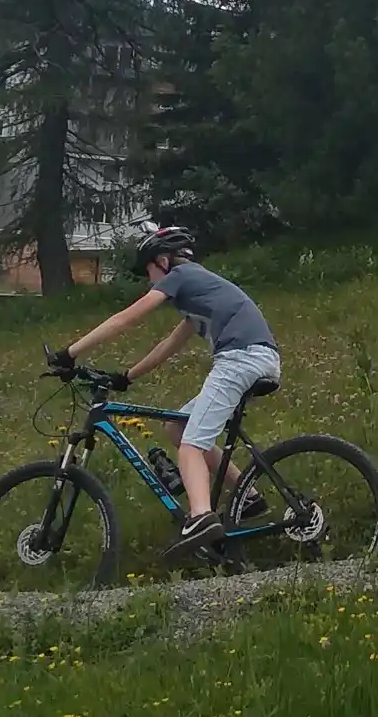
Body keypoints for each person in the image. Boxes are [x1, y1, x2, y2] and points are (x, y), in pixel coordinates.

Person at [53, 226, 281, 563]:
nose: (150, 281)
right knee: (177, 428)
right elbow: (168, 345)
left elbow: (125, 319)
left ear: (163, 261)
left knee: (192, 444)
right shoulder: (201, 290)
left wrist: (69, 353)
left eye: (149, 271)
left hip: (241, 358)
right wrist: (126, 376)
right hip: (255, 358)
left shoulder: (181, 277)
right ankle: (248, 496)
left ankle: (202, 517)